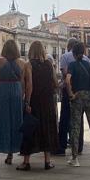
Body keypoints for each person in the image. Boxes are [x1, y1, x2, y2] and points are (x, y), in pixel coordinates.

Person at [17, 41, 59, 171]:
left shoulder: (29, 65)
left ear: (31, 51)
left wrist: (27, 102)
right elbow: (55, 83)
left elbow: (29, 86)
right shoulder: (49, 64)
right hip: (48, 102)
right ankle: (47, 162)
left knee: (30, 130)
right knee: (46, 129)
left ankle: (26, 162)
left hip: (35, 101)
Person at [65, 42, 90, 167]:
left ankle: (75, 158)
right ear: (83, 52)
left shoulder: (72, 65)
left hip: (78, 96)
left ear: (74, 53)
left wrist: (71, 93)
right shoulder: (89, 65)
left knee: (76, 126)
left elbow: (67, 79)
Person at [0, 39, 30, 166]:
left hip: (3, 91)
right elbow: (22, 81)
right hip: (16, 91)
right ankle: (10, 154)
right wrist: (23, 95)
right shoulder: (22, 63)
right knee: (15, 121)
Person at [55, 38, 85, 156]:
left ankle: (61, 147)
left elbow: (65, 74)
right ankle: (79, 146)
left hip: (69, 91)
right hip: (82, 92)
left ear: (68, 46)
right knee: (79, 119)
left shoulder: (65, 57)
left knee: (65, 118)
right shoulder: (86, 58)